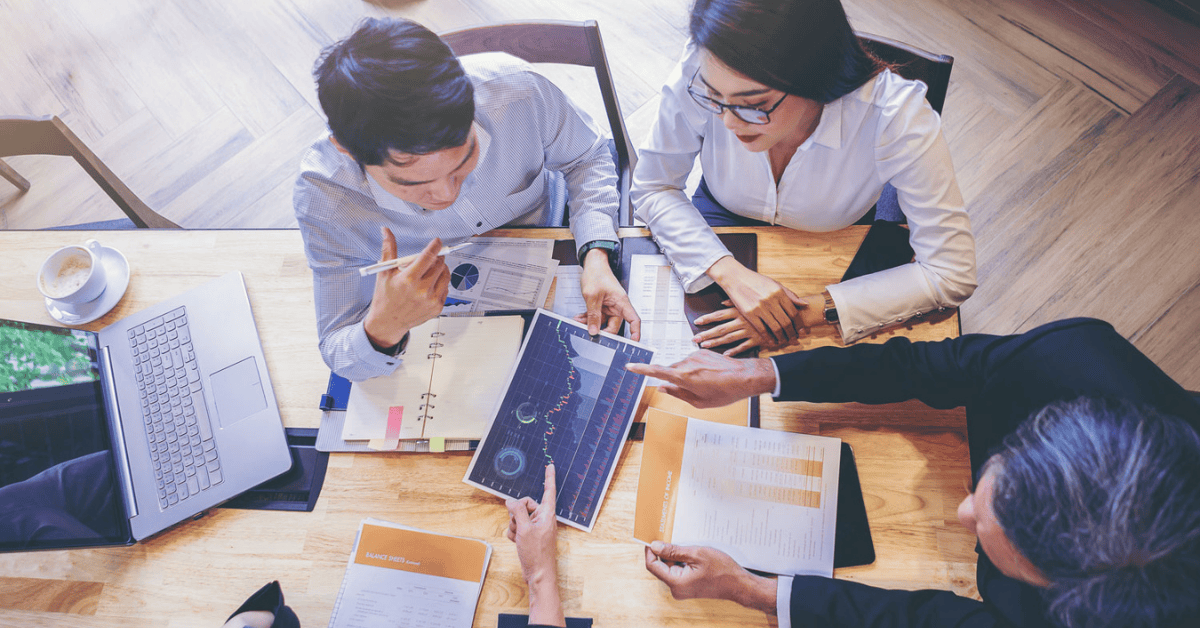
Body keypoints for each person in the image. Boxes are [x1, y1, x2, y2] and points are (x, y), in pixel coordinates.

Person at [626, 318, 1200, 628]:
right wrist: (759, 373)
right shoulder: (1070, 358)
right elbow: (929, 366)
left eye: (994, 532)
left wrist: (756, 591)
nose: (962, 511)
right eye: (992, 486)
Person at [295, 18, 640, 381]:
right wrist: (382, 329)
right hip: (437, 320)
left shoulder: (519, 93)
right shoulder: (325, 198)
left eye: (464, 161)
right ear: (348, 151)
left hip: (557, 248)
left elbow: (588, 155)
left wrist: (596, 253)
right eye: (413, 184)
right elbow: (336, 343)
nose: (447, 194)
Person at [632, 0, 976, 355]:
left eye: (752, 104)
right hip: (720, 222)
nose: (728, 123)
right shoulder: (703, 65)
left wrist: (804, 312)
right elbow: (654, 186)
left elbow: (952, 272)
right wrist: (726, 270)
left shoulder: (896, 115)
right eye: (713, 97)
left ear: (817, 74)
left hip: (841, 240)